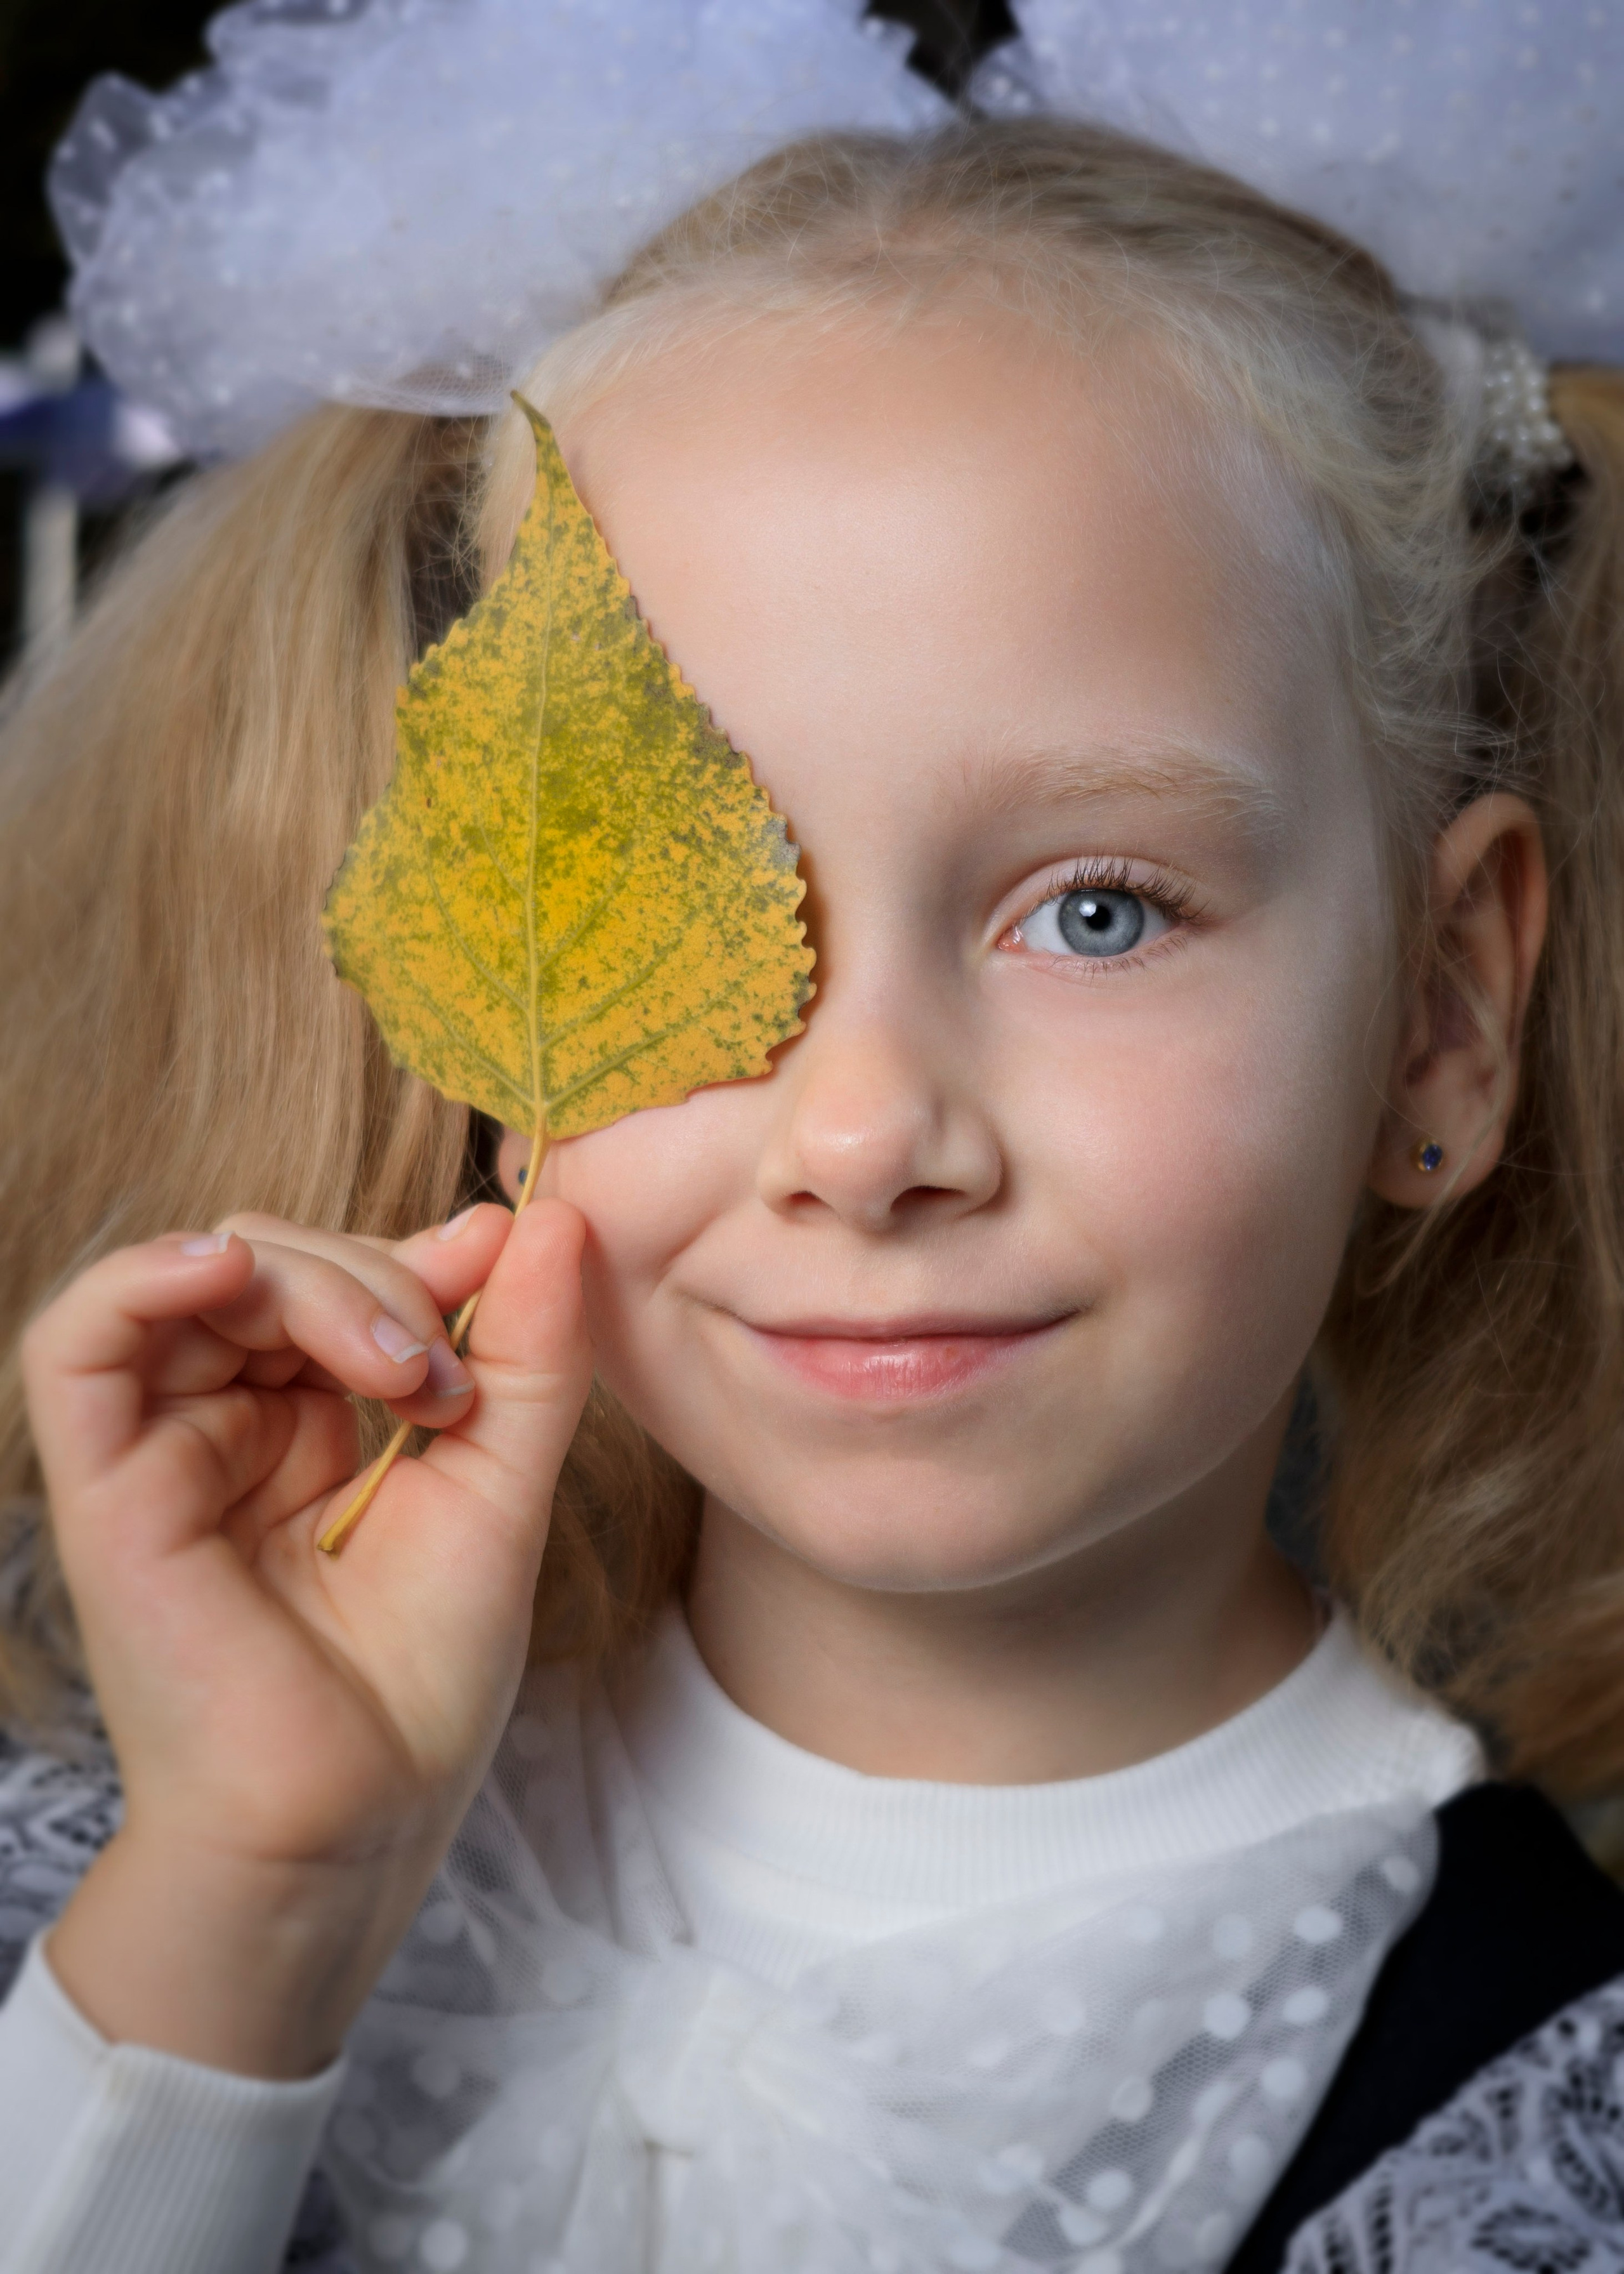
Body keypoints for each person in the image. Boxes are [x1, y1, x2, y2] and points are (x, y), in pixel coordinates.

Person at [2, 5, 1623, 2271]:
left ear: (1442, 1014)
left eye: (1099, 910)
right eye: (689, 912)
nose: (866, 1139)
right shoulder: (142, 1893)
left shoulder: (1538, 2123)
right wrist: (249, 1904)